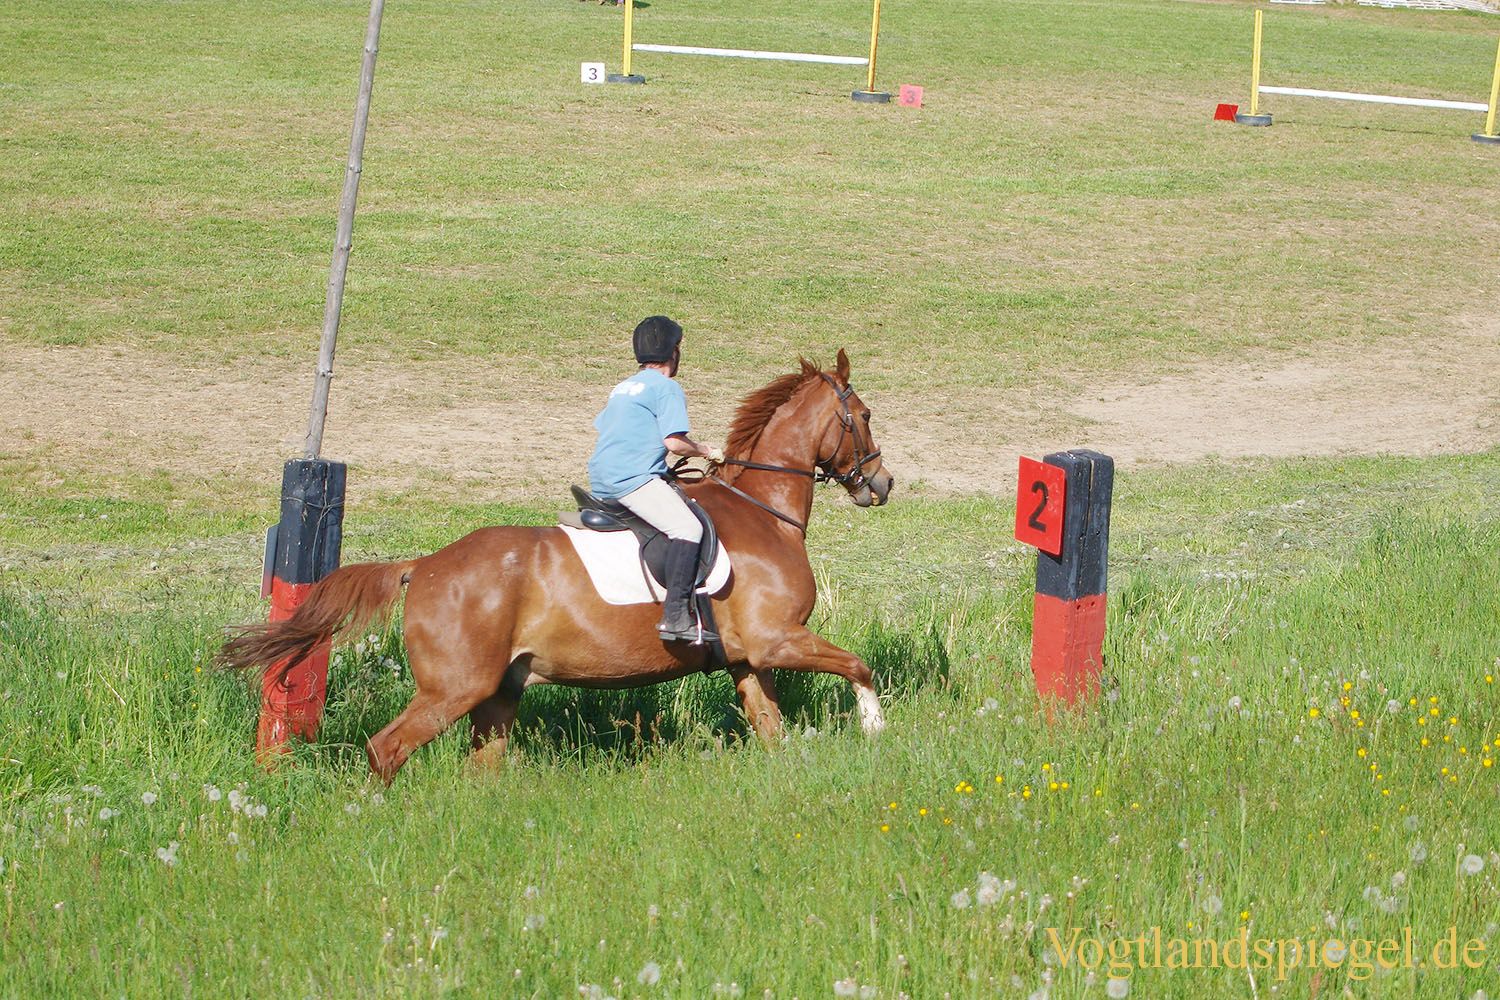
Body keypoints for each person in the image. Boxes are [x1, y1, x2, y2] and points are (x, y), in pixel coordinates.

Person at [587, 316, 725, 643]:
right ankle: (676, 617)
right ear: (672, 352)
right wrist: (708, 451)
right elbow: (674, 443)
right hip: (631, 479)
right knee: (688, 527)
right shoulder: (667, 388)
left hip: (601, 476)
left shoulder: (622, 387)